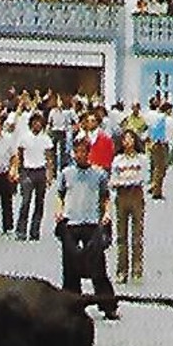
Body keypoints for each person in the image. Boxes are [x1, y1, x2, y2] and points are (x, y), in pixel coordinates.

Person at [55, 135, 116, 320]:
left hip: (91, 222)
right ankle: (71, 303)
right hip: (72, 221)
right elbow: (60, 195)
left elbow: (106, 197)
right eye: (77, 151)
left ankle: (107, 305)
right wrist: (59, 212)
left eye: (83, 152)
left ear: (89, 153)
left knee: (98, 266)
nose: (79, 155)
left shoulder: (99, 174)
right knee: (70, 266)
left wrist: (106, 214)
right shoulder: (66, 173)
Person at [108, 128, 147, 284]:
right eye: (125, 139)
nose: (127, 142)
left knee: (137, 234)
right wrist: (120, 182)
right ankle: (121, 270)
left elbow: (144, 177)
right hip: (121, 195)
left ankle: (137, 269)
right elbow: (113, 179)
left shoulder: (141, 159)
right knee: (121, 235)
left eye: (131, 138)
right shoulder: (117, 160)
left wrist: (130, 178)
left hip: (136, 195)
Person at [13, 110, 53, 242]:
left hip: (40, 170)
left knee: (39, 203)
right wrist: (17, 171)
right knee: (26, 201)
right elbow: (19, 155)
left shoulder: (46, 139)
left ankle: (35, 230)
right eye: (35, 122)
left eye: (39, 122)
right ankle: (21, 230)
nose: (37, 125)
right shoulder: (24, 137)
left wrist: (49, 174)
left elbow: (49, 158)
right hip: (28, 171)